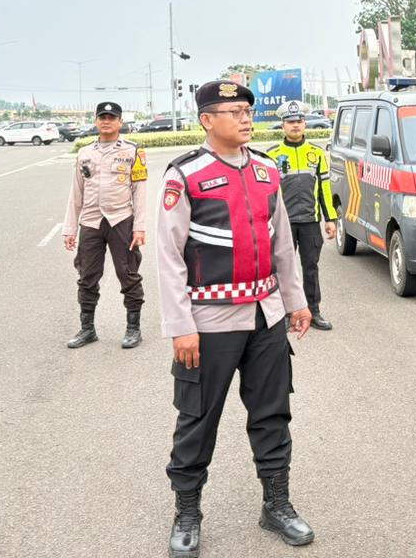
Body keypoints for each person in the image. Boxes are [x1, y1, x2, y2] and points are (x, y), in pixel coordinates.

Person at [156, 79, 316, 557]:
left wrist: (296, 301)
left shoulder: (268, 170)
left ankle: (277, 504)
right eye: (233, 111)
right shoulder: (185, 175)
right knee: (197, 418)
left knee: (272, 414)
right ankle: (187, 510)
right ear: (207, 120)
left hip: (264, 317)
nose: (246, 118)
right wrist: (181, 325)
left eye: (248, 110)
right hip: (209, 322)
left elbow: (282, 243)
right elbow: (168, 256)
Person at [61, 101, 149, 350]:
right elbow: (75, 192)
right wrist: (70, 229)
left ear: (120, 122)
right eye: (102, 117)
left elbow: (139, 191)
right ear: (96, 121)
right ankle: (87, 329)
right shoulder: (85, 153)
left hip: (121, 219)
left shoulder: (133, 151)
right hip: (90, 221)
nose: (106, 121)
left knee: (128, 274)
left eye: (112, 117)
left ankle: (134, 328)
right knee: (87, 276)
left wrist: (139, 227)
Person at [265, 100, 338, 330]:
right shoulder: (272, 155)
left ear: (304, 123)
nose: (295, 126)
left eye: (299, 121)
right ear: (283, 125)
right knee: (282, 269)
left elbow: (324, 188)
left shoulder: (316, 154)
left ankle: (313, 311)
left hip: (309, 222)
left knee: (310, 268)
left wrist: (331, 219)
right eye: (290, 122)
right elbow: (266, 193)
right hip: (283, 224)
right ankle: (286, 314)